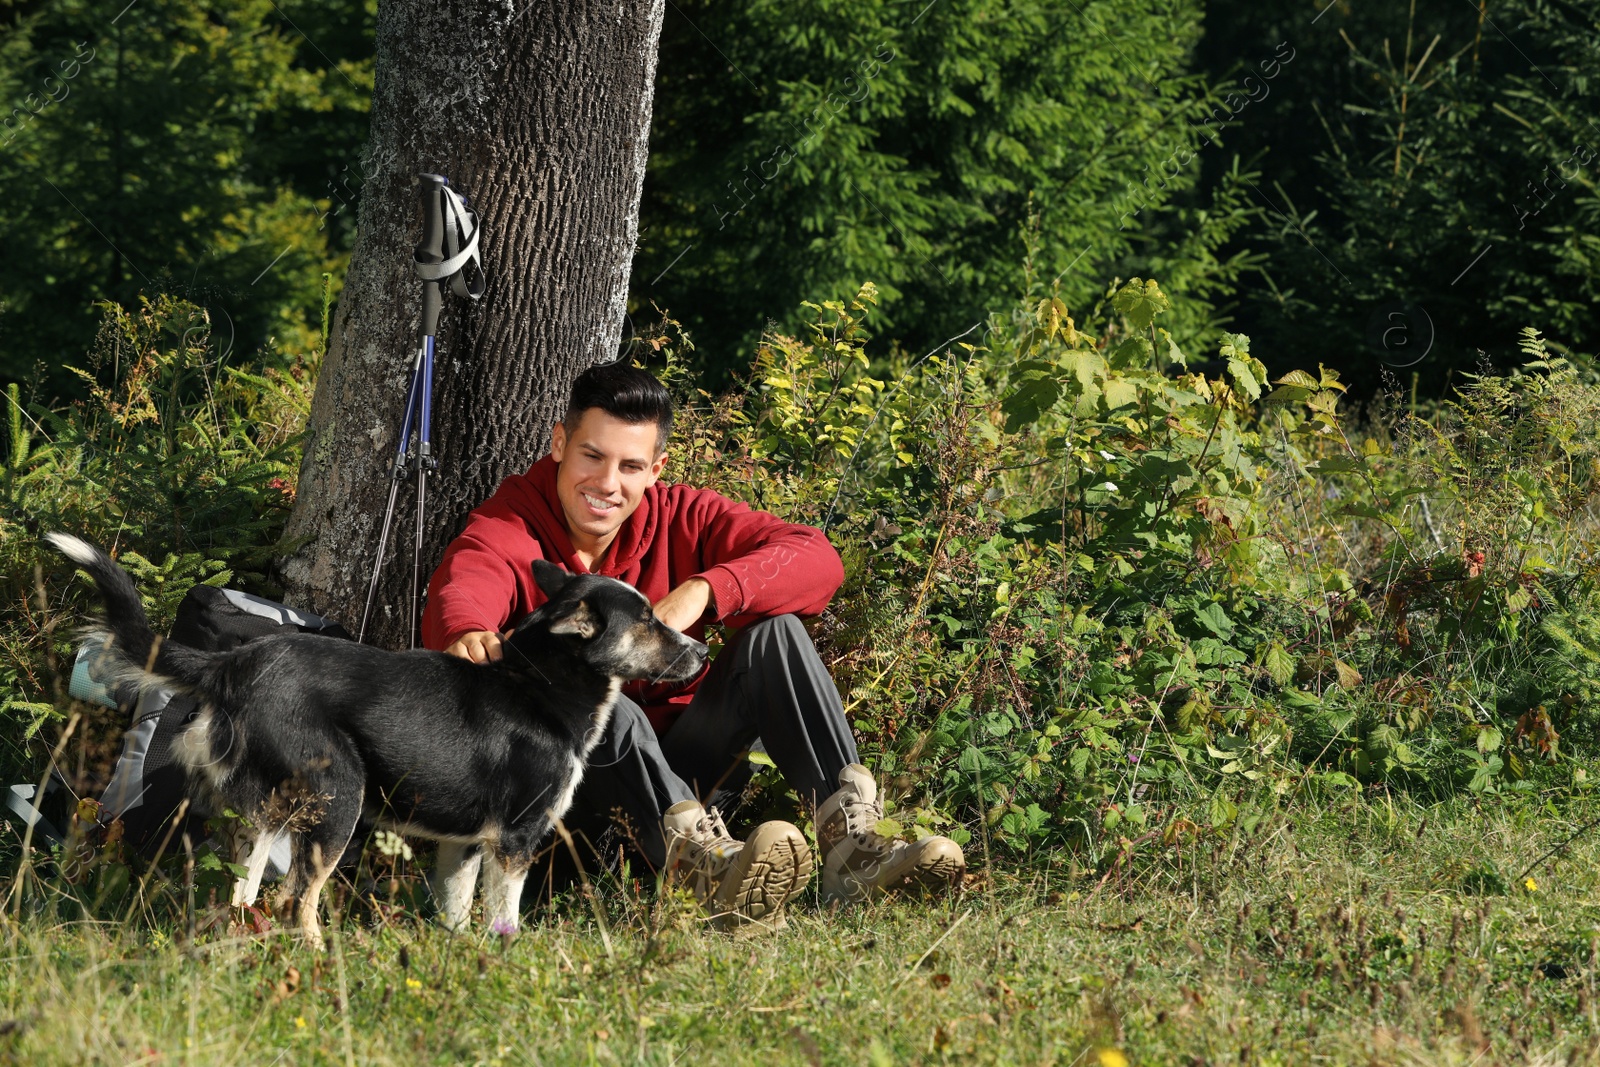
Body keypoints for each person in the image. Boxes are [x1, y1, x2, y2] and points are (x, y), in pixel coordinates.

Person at [420, 362, 965, 932]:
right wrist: (466, 631)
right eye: (591, 456)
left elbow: (818, 560)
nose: (607, 483)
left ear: (656, 469)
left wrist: (708, 589)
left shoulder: (684, 516)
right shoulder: (514, 520)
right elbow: (466, 578)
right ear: (560, 442)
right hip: (573, 805)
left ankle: (852, 851)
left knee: (775, 635)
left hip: (693, 781)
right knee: (598, 695)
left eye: (631, 466)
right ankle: (705, 874)